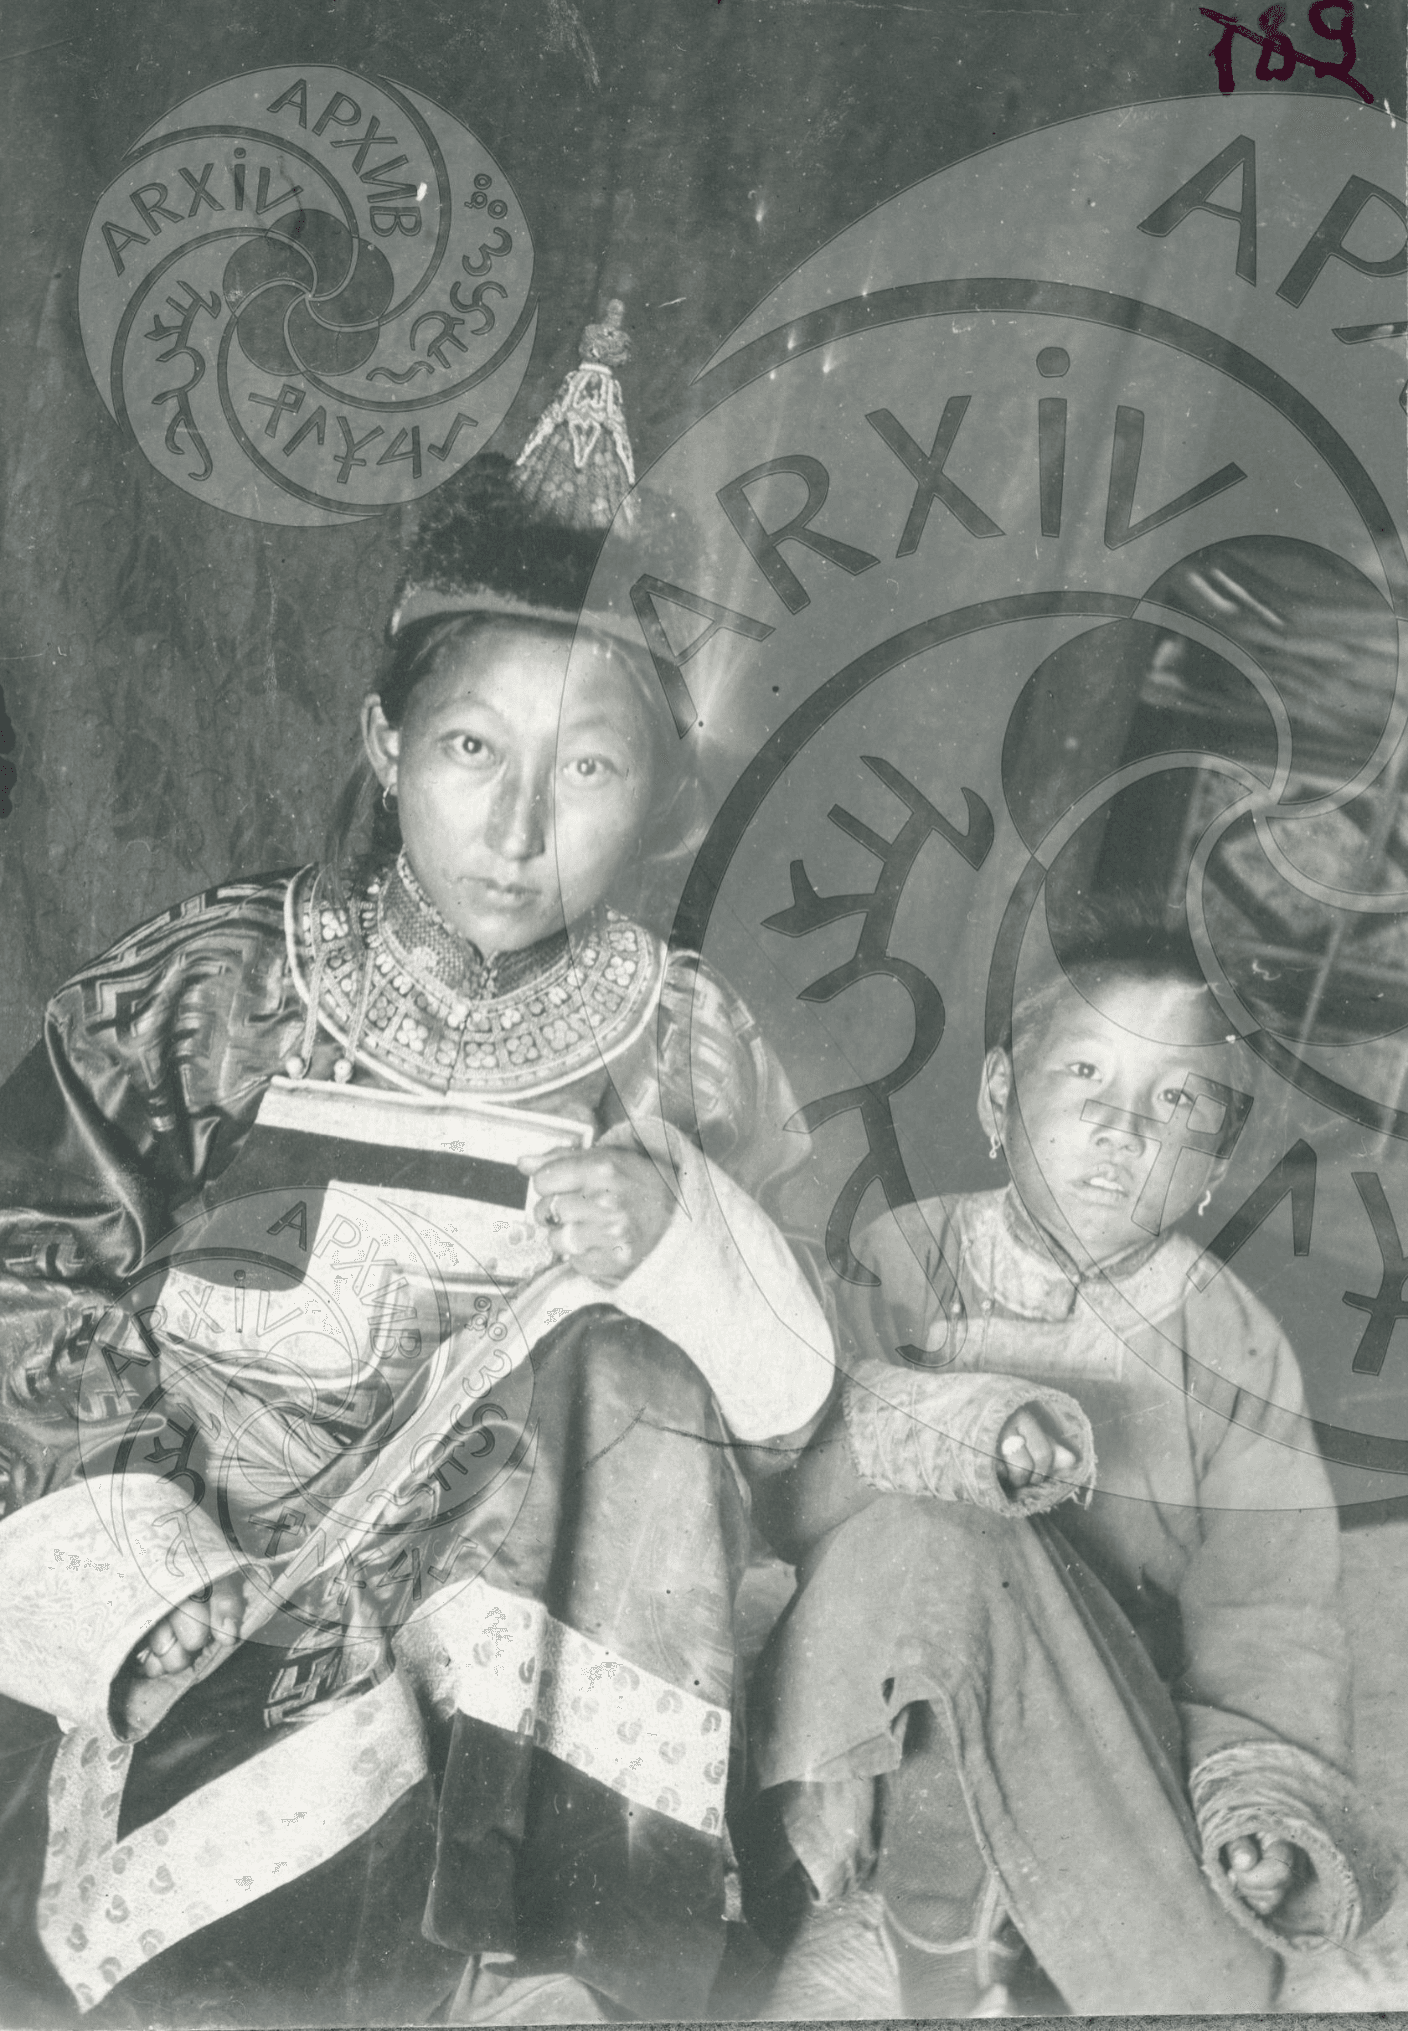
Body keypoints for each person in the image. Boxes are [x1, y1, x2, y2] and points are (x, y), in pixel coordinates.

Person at [0, 309, 835, 2028]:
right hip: (214, 1593)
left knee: (626, 1355)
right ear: (387, 754)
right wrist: (159, 1588)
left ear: (660, 797)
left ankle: (564, 1958)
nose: (520, 826)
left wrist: (682, 1241)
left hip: (516, 1634)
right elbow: (22, 1261)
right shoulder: (222, 982)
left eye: (585, 767)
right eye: (472, 750)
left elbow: (786, 1413)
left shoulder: (680, 1043)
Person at [742, 910, 1396, 2018]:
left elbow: (1270, 1618)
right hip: (878, 1759)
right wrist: (961, 1430)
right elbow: (795, 1501)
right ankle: (920, 1947)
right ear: (1000, 1096)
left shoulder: (1230, 1345)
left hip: (1096, 1755)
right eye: (1084, 1071)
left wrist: (1261, 1814)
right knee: (919, 1533)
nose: (1118, 1124)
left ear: (1215, 1157)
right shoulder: (905, 1260)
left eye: (1175, 1100)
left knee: (950, 1547)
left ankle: (978, 1949)